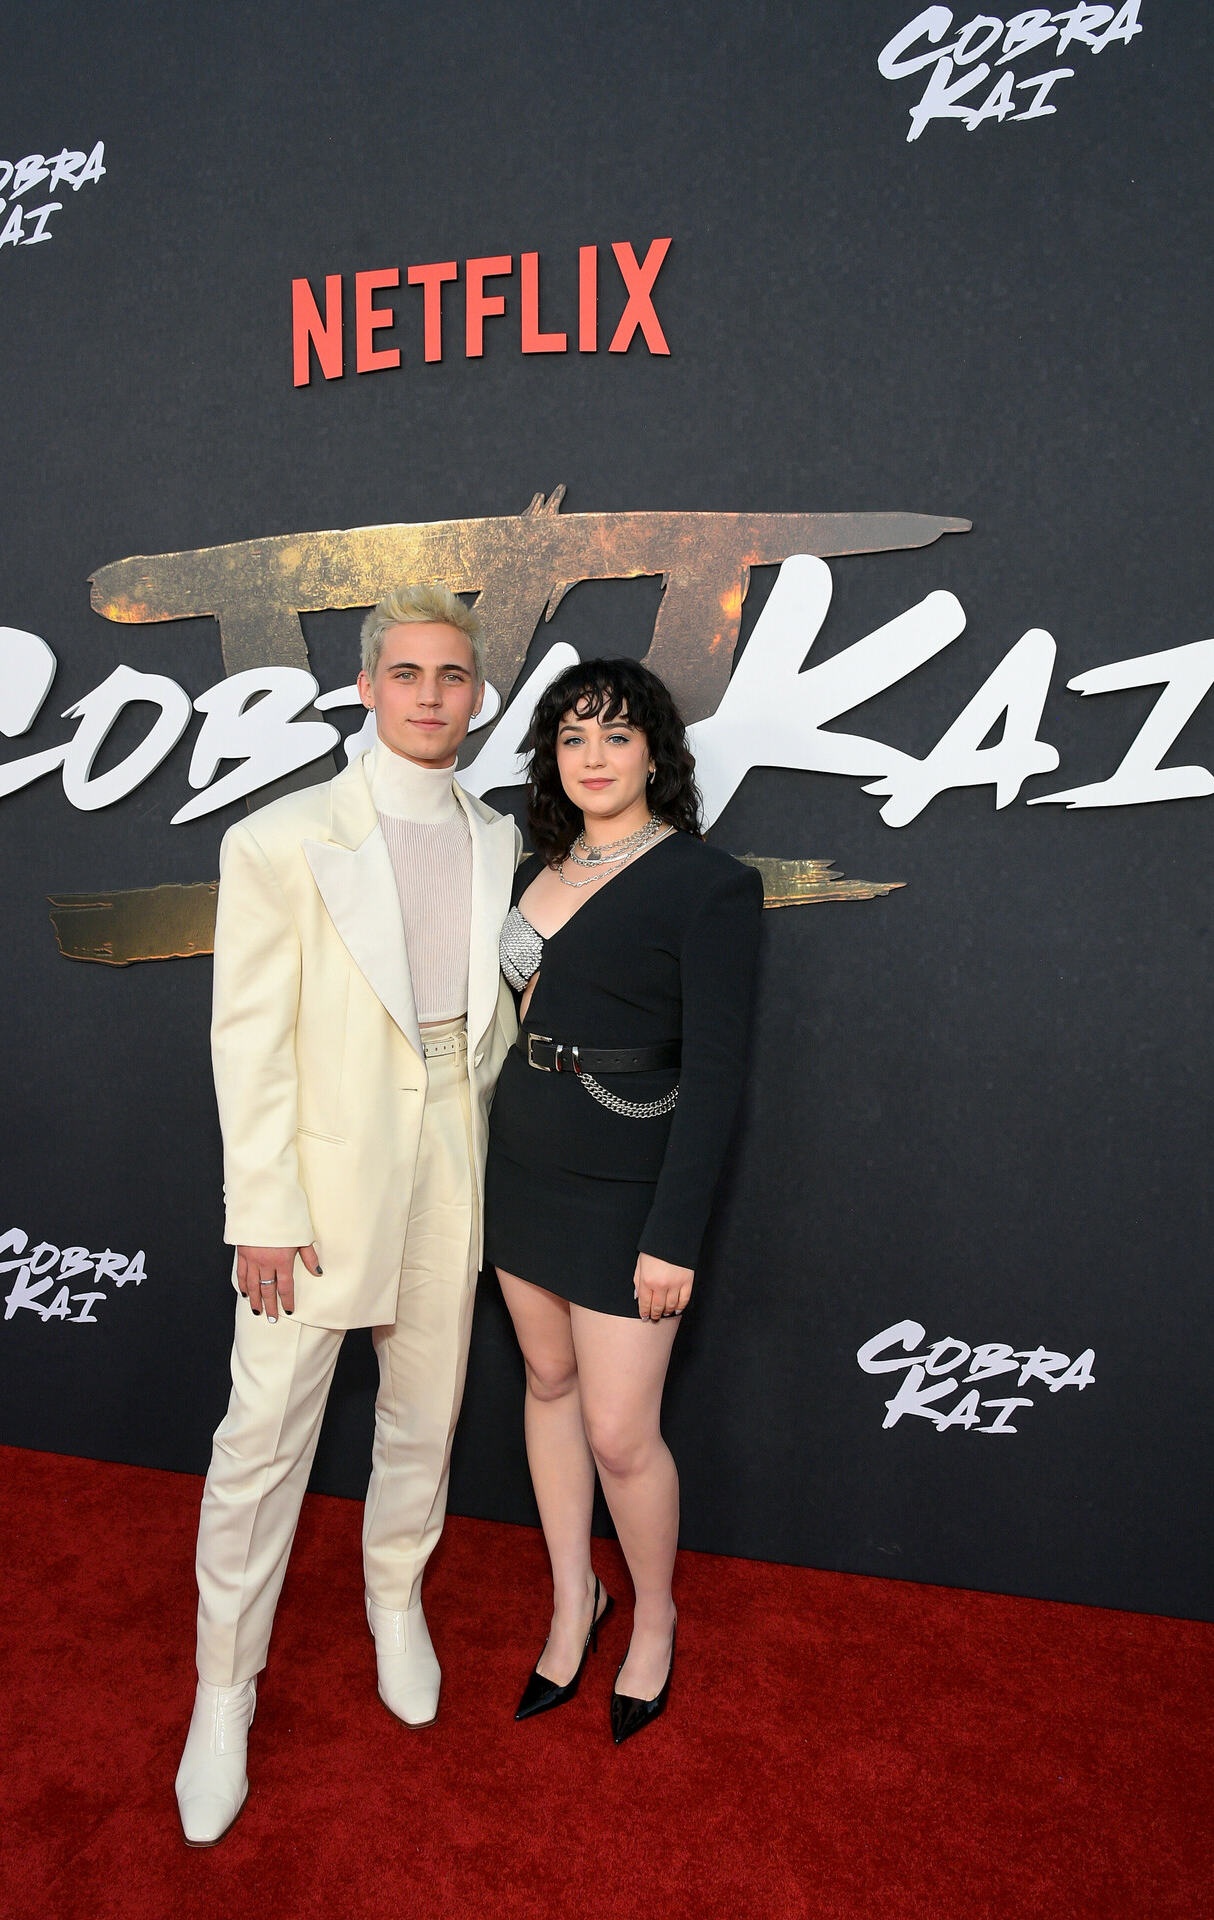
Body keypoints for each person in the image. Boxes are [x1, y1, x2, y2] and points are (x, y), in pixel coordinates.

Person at [176, 582, 521, 1845]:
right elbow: (248, 1041)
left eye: (452, 675)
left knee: (426, 1409)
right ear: (368, 687)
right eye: (407, 674)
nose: (431, 696)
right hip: (321, 1174)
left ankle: (394, 1600)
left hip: (454, 1148)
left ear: (475, 695)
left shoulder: (499, 838)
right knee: (263, 1438)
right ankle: (224, 1694)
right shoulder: (278, 838)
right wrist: (262, 1209)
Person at [484, 657, 762, 1745]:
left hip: (629, 1183)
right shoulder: (530, 867)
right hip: (522, 1164)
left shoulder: (707, 883)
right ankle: (574, 1600)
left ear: (654, 753)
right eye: (572, 737)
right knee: (547, 1382)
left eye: (616, 735)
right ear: (550, 757)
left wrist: (673, 1236)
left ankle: (654, 1619)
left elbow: (719, 1075)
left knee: (618, 1432)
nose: (592, 757)